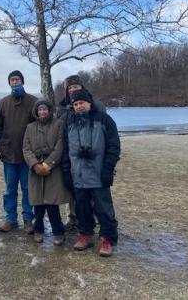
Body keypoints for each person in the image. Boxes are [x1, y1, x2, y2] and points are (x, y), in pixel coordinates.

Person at [62, 89, 120, 257]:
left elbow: (114, 147)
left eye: (81, 103)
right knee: (82, 207)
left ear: (89, 103)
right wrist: (67, 171)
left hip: (98, 173)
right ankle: (85, 234)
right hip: (77, 173)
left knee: (103, 207)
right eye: (75, 104)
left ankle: (108, 238)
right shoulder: (69, 122)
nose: (79, 106)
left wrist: (108, 169)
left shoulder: (104, 120)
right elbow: (65, 149)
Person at [56, 74, 106, 231]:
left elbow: (104, 129)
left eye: (75, 87)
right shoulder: (62, 108)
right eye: (69, 88)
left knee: (95, 189)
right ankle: (72, 217)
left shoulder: (96, 104)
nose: (72, 90)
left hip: (93, 154)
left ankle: (96, 218)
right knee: (73, 190)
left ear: (82, 87)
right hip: (70, 153)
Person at [23, 100, 72, 246]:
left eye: (45, 109)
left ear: (49, 111)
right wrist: (35, 165)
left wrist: (47, 164)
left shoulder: (58, 124)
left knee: (52, 203)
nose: (42, 112)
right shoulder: (30, 127)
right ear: (36, 111)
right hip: (35, 170)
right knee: (38, 203)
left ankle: (58, 232)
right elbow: (26, 148)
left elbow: (60, 146)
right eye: (40, 110)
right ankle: (38, 230)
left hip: (53, 169)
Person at [0, 70, 37, 233]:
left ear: (22, 81)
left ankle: (28, 219)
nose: (15, 82)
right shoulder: (3, 103)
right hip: (9, 154)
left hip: (28, 155)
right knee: (9, 189)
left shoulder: (33, 101)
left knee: (27, 189)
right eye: (12, 80)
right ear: (9, 83)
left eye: (17, 79)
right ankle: (10, 219)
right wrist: (1, 146)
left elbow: (38, 127)